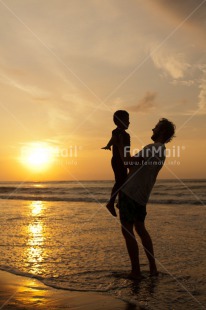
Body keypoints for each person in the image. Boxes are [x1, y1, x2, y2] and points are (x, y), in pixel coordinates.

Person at [117, 118, 176, 280]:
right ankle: (153, 268)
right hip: (143, 197)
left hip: (130, 193)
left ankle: (135, 272)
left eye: (155, 128)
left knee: (128, 230)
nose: (152, 129)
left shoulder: (152, 148)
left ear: (162, 132)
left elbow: (128, 163)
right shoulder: (162, 151)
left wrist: (122, 146)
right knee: (141, 229)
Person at [102, 110, 130, 217]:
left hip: (121, 160)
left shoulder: (125, 134)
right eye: (127, 120)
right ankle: (111, 203)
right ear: (119, 121)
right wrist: (108, 145)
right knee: (120, 181)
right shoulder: (118, 132)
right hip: (118, 161)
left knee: (124, 181)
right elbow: (113, 140)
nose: (129, 122)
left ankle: (119, 202)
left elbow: (126, 150)